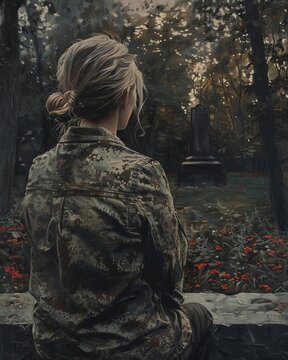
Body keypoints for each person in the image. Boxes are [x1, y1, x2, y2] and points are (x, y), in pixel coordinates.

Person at [20, 31, 213, 360]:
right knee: (202, 317)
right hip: (130, 347)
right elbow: (170, 274)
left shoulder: (40, 169)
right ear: (125, 97)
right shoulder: (140, 173)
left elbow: (39, 261)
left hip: (53, 344)